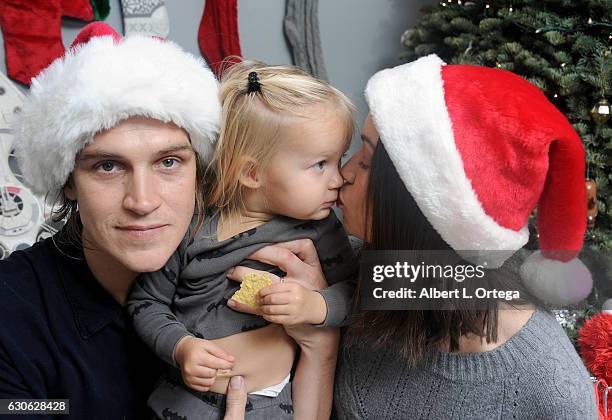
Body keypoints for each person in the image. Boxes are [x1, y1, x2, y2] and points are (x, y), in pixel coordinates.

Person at [230, 55, 598, 419]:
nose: (344, 174)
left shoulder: (550, 387)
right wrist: (321, 327)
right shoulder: (354, 270)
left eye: (367, 160)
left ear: (419, 203)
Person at [0, 21, 240, 419]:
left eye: (168, 162)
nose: (142, 201)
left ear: (199, 169)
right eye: (108, 166)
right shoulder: (11, 313)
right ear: (68, 181)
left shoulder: (252, 263)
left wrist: (319, 345)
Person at [127, 60, 358, 419]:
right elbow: (146, 302)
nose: (338, 178)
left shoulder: (319, 230)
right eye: (320, 164)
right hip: (183, 401)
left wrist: (315, 305)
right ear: (252, 173)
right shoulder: (191, 226)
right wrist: (181, 347)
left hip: (275, 405)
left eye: (339, 159)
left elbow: (358, 290)